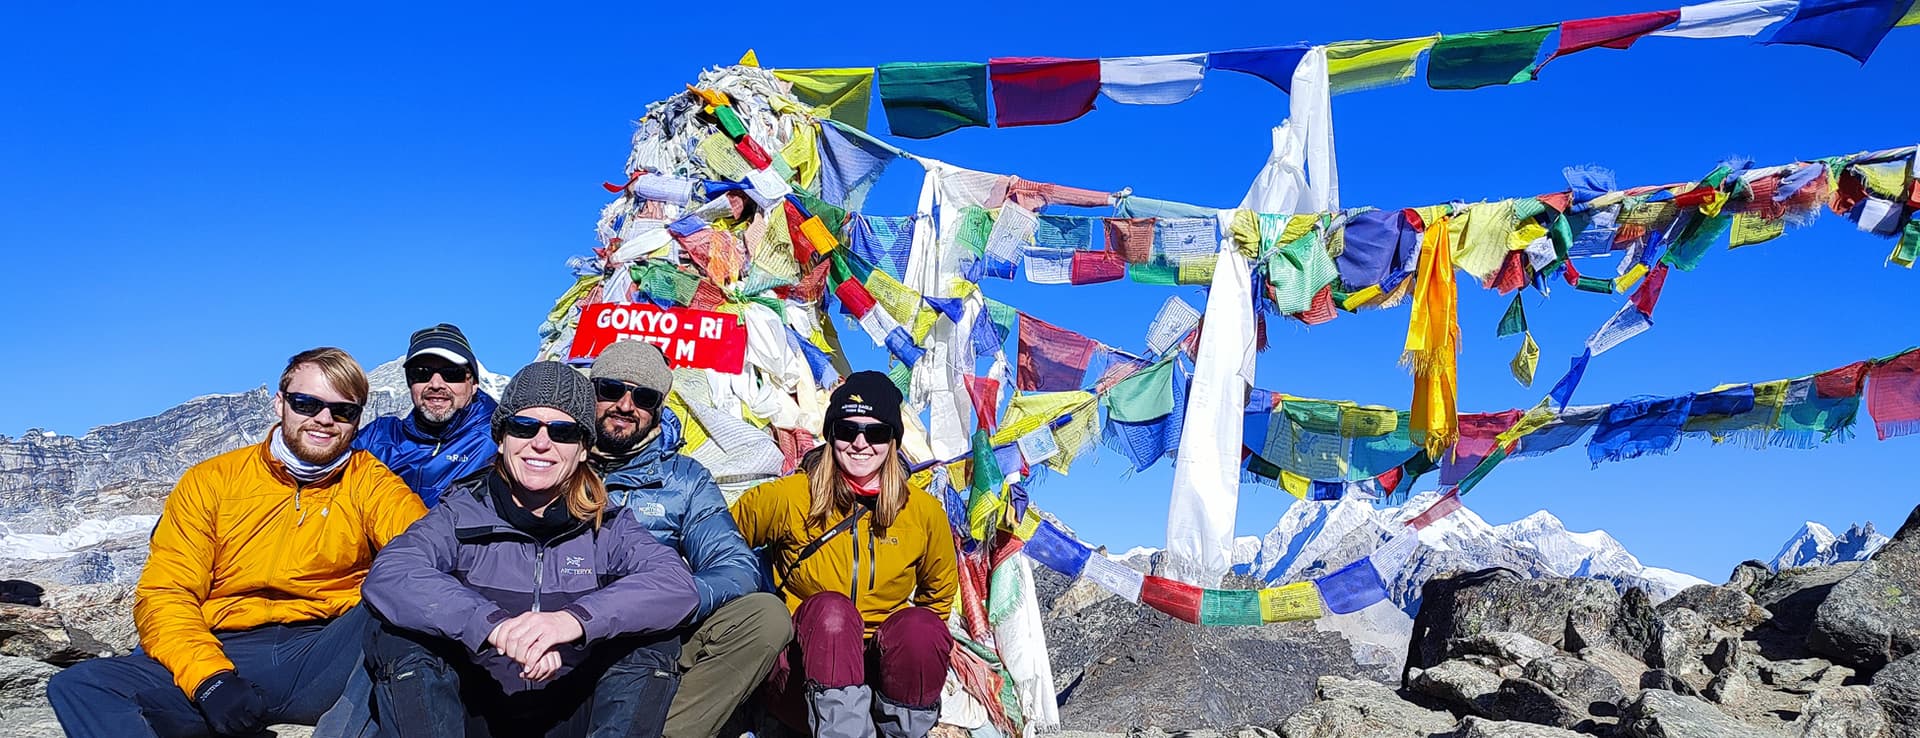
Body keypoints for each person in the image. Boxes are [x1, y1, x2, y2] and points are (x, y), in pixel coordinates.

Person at [47, 348, 428, 738]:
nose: (324, 419)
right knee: (81, 686)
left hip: (320, 652)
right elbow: (166, 593)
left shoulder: (372, 483)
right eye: (306, 403)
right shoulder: (211, 481)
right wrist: (209, 679)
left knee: (402, 608)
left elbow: (424, 552)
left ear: (357, 419)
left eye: (342, 411)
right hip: (223, 647)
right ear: (280, 403)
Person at [361, 360, 698, 738]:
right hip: (473, 709)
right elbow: (392, 573)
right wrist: (494, 627)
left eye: (563, 432)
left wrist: (571, 622)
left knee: (655, 638)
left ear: (584, 449)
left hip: (571, 709)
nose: (541, 443)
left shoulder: (610, 527)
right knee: (395, 632)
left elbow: (675, 584)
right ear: (502, 439)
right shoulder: (460, 513)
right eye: (524, 426)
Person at [731, 371, 959, 738]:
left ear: (894, 442)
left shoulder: (924, 512)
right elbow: (721, 548)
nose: (860, 443)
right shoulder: (787, 497)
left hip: (880, 677)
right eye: (847, 430)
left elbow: (938, 599)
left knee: (922, 629)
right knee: (832, 613)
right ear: (831, 433)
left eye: (877, 433)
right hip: (802, 675)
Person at [588, 340, 792, 738]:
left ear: (658, 408)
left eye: (644, 396)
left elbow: (736, 565)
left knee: (765, 617)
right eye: (612, 390)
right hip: (569, 619)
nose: (626, 406)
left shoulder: (684, 478)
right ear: (591, 392)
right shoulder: (555, 456)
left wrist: (672, 597)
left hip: (656, 632)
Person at [354, 322, 498, 507]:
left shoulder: (500, 437)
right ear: (410, 382)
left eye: (452, 373)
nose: (436, 384)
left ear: (474, 383)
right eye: (422, 373)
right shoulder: (378, 436)